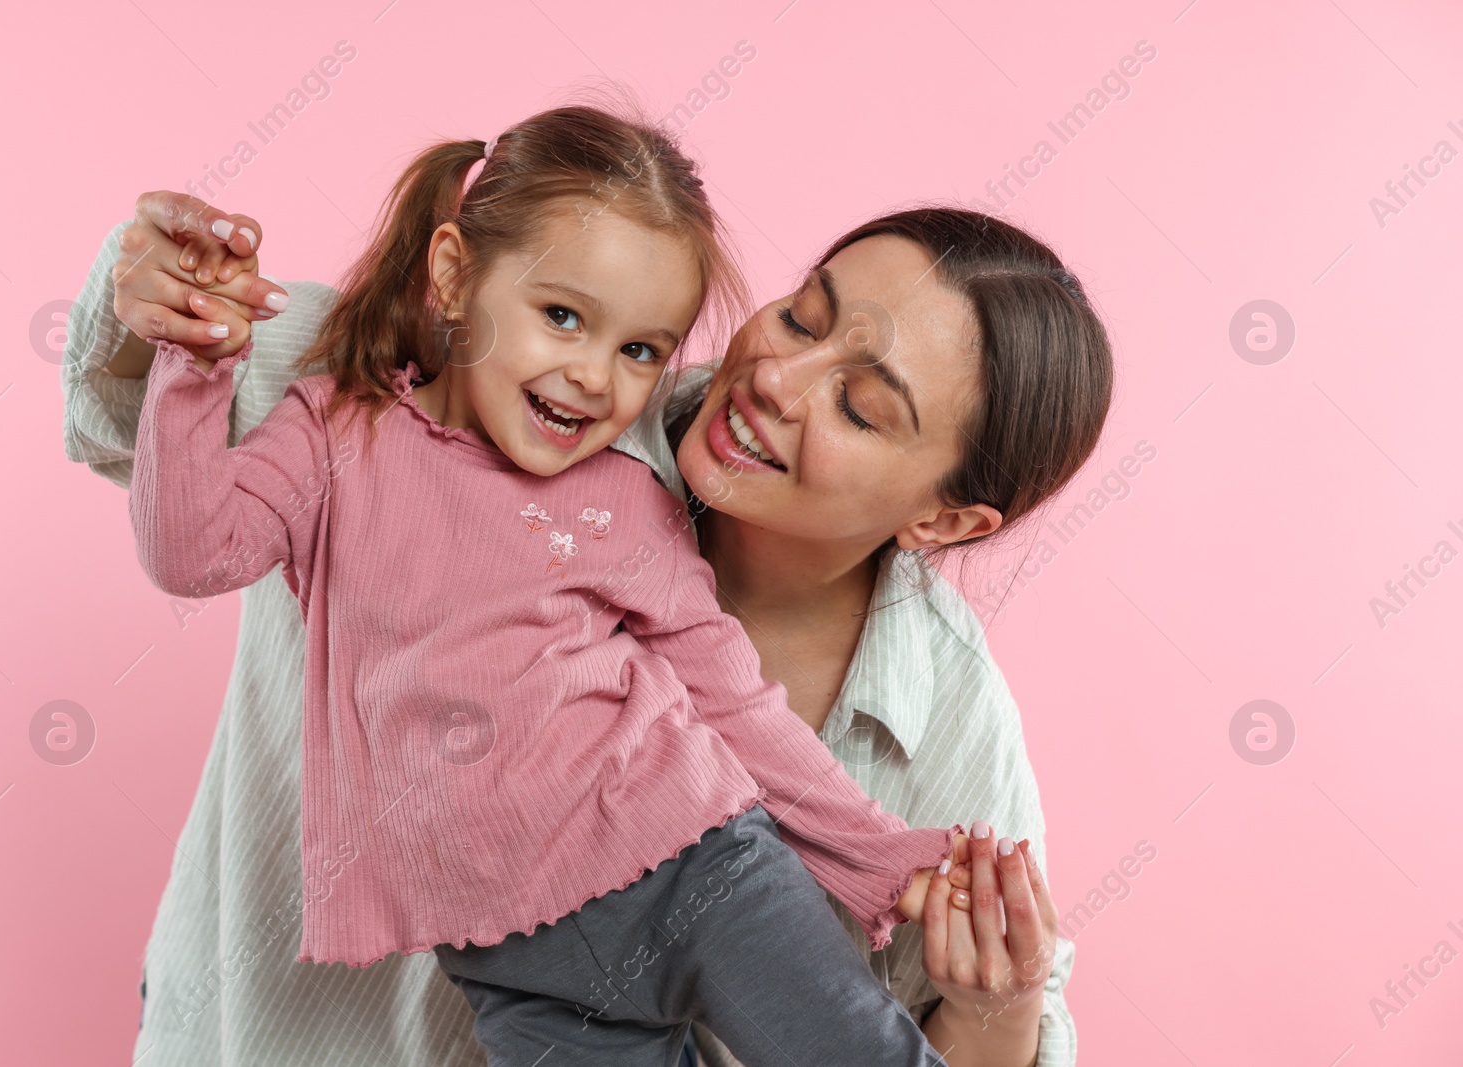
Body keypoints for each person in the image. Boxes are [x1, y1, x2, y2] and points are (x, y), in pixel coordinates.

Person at [64, 141, 1107, 1067]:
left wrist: (994, 994)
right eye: (799, 314)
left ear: (946, 522)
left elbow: (1014, 1020)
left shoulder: (950, 715)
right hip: (266, 1035)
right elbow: (184, 388)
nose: (780, 378)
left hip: (693, 884)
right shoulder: (428, 392)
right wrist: (174, 299)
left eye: (860, 406)